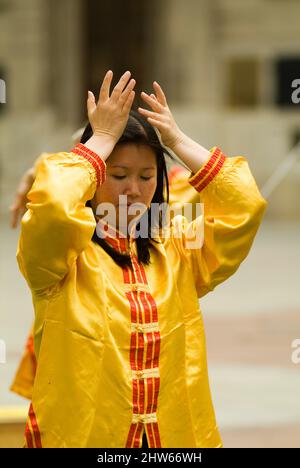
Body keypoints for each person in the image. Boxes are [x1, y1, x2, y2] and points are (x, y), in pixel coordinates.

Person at [16, 70, 267, 448]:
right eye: (118, 175)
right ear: (94, 177)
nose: (134, 190)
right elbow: (53, 205)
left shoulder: (178, 250)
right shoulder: (62, 258)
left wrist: (177, 140)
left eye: (147, 176)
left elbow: (243, 206)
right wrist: (100, 138)